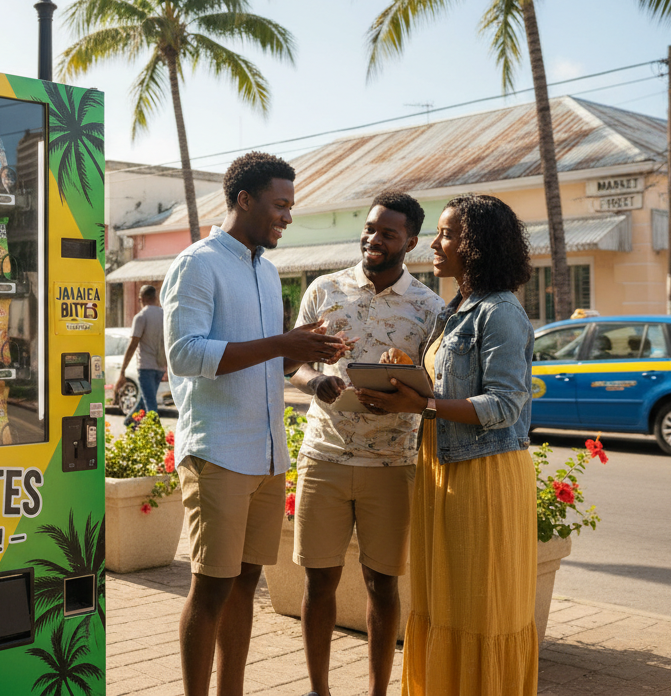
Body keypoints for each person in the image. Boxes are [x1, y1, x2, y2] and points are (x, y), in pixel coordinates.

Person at [162, 151, 350, 696]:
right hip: (218, 450)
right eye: (280, 204)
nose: (288, 216)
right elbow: (186, 354)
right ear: (244, 200)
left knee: (246, 585)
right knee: (211, 589)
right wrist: (282, 343)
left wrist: (312, 365)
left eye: (291, 205)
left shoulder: (267, 271)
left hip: (267, 455)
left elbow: (278, 360)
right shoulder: (197, 263)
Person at [359, 193, 538, 695]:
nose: (435, 245)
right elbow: (446, 390)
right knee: (443, 604)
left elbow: (504, 405)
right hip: (443, 470)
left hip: (483, 476)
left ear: (476, 245)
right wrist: (408, 379)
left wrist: (422, 406)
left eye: (447, 234)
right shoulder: (455, 310)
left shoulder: (500, 313)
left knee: (481, 608)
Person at [287, 190, 444, 696]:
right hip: (324, 456)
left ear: (411, 242)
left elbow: (434, 386)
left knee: (383, 584)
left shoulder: (429, 308)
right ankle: (319, 689)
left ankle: (378, 691)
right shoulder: (324, 289)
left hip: (392, 463)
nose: (373, 239)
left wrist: (403, 395)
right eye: (371, 228)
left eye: (388, 233)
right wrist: (315, 381)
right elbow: (294, 361)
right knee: (319, 582)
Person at [115, 285, 165, 427]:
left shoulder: (141, 317)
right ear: (155, 298)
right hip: (161, 366)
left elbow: (133, 344)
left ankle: (158, 437)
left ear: (141, 299)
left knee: (150, 404)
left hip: (145, 366)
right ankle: (129, 422)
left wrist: (123, 370)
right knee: (145, 399)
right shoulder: (165, 315)